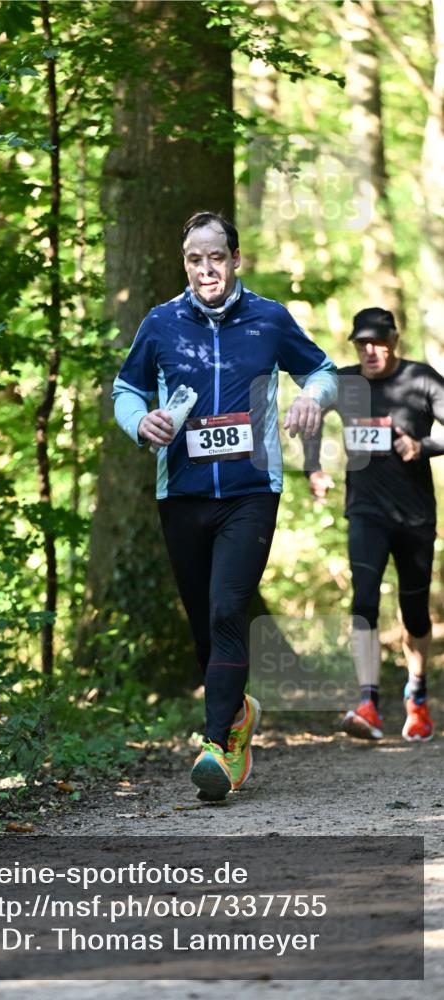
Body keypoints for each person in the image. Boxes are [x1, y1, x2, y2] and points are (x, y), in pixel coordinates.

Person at [113, 211, 337, 800]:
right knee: (203, 631)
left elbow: (322, 370)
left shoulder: (268, 318)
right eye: (194, 259)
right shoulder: (161, 322)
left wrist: (312, 398)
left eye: (216, 256)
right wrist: (141, 421)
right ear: (185, 264)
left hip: (249, 493)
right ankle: (237, 714)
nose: (206, 268)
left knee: (226, 609)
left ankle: (220, 745)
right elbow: (126, 389)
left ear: (236, 259)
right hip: (181, 495)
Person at [306, 307, 444, 742]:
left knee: (415, 615)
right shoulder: (345, 382)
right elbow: (311, 412)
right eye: (361, 343)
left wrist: (420, 446)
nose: (369, 350)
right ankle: (367, 702)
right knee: (363, 601)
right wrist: (313, 467)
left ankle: (416, 699)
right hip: (365, 510)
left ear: (393, 340)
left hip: (416, 516)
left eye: (377, 342)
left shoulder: (420, 379)